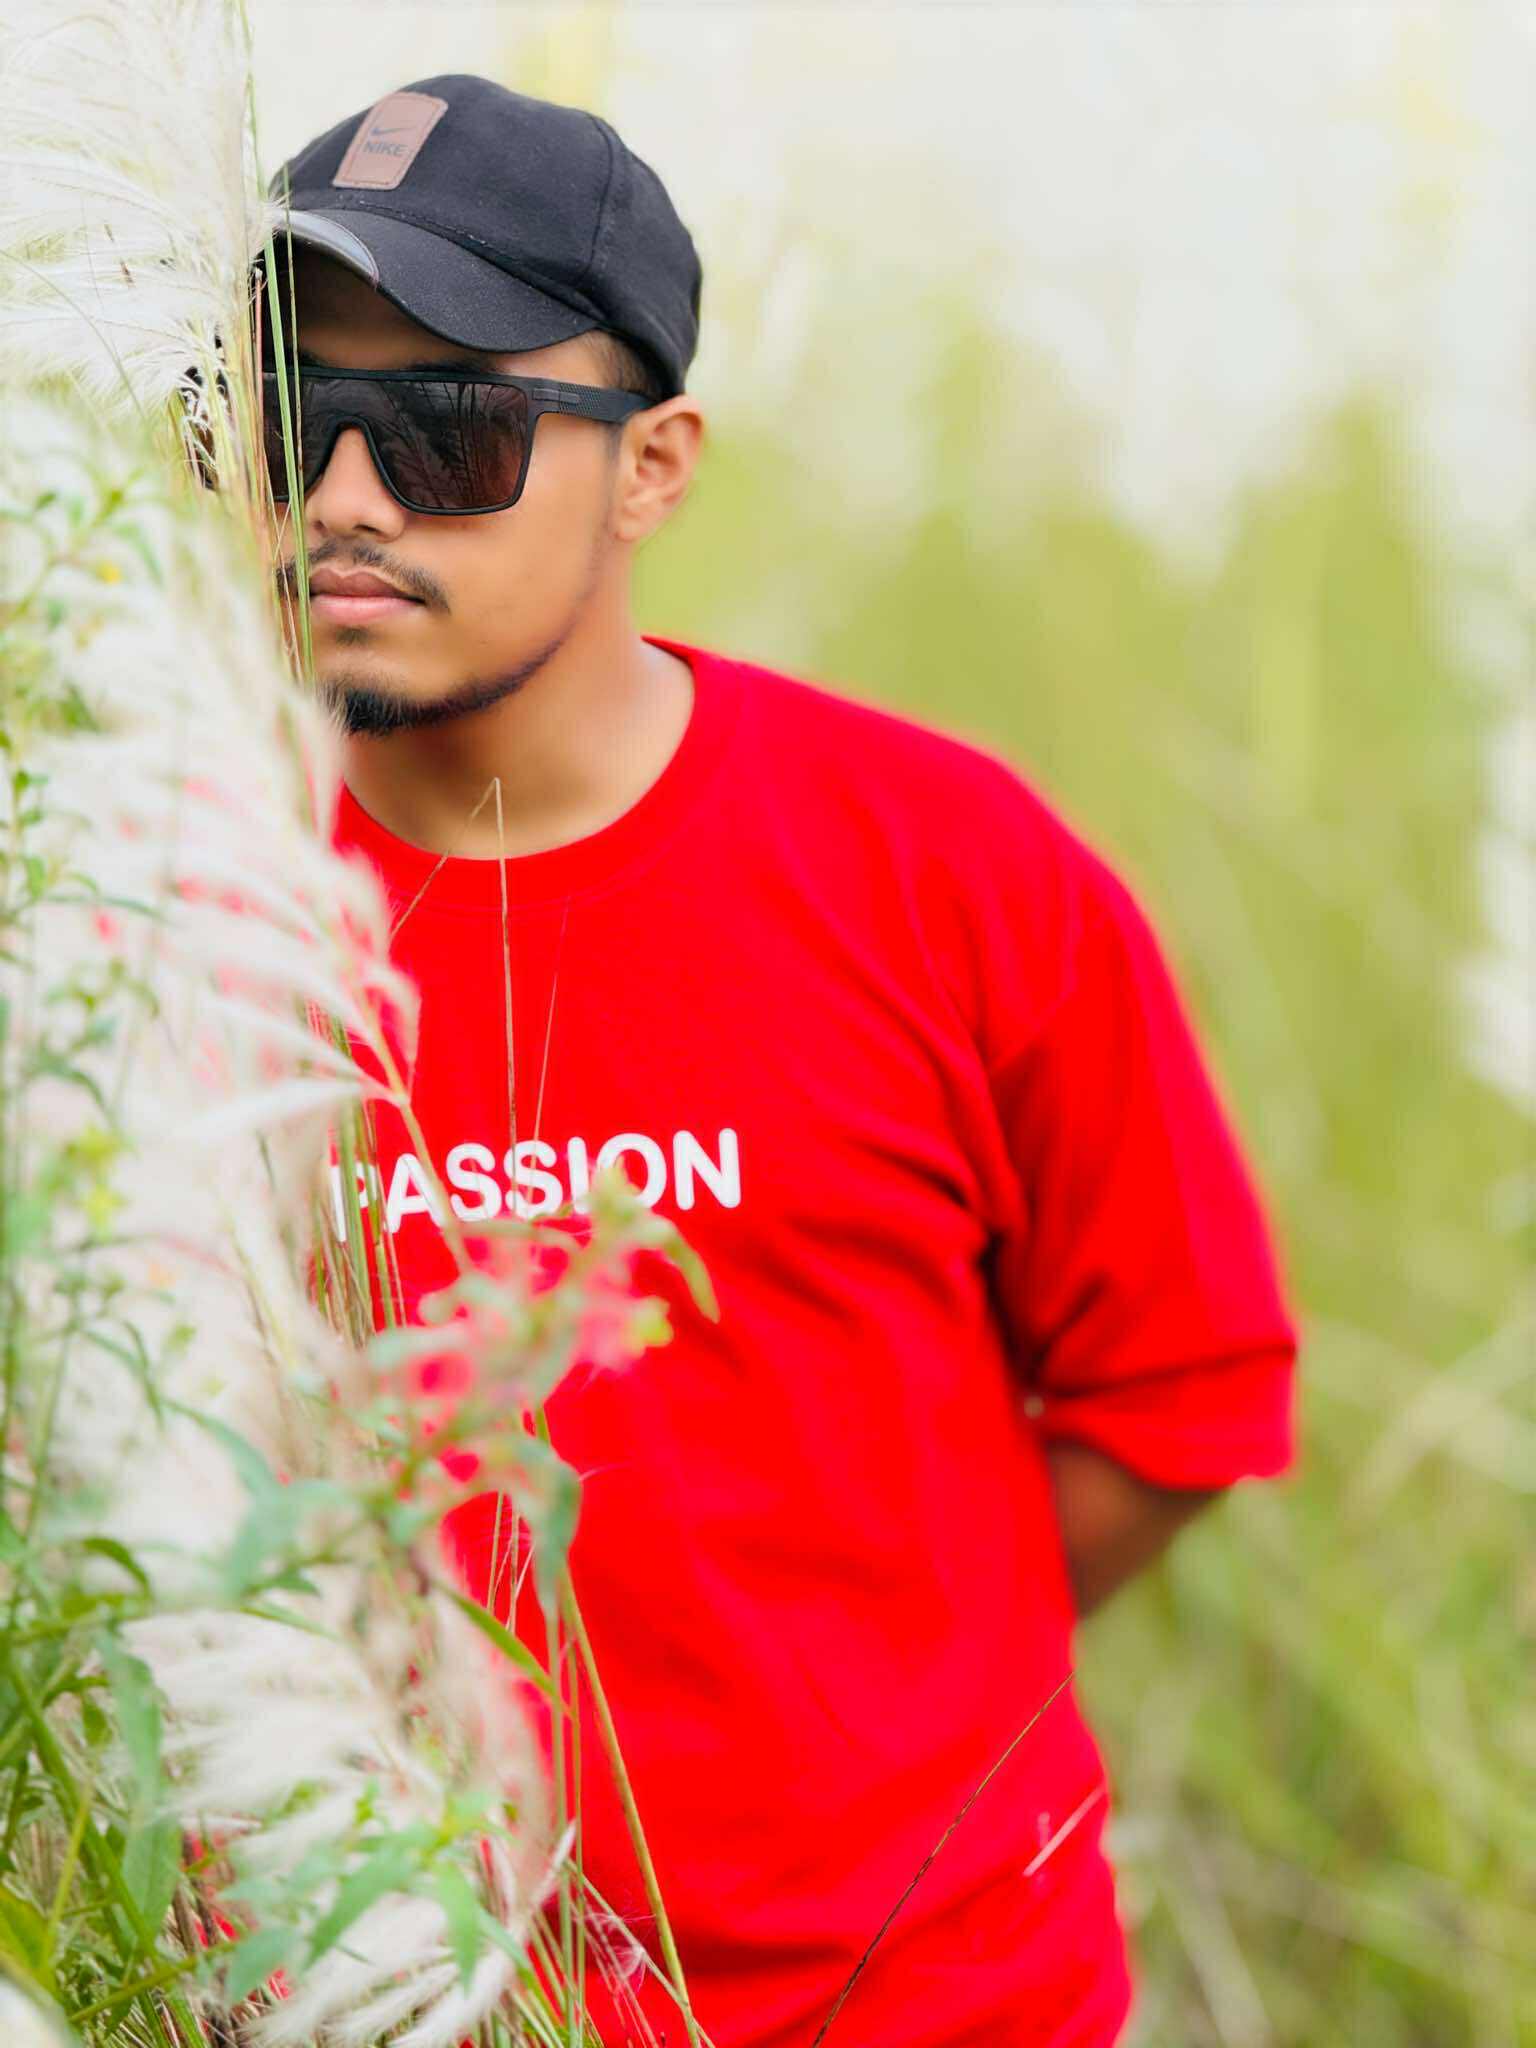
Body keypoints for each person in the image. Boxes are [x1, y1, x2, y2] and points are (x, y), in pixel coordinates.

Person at [256, 74, 1301, 2048]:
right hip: (352, 2001)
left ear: (651, 467)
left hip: (920, 2006)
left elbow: (1178, 1392)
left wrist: (867, 1701)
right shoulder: (170, 907)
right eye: (286, 416)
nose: (345, 500)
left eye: (452, 427)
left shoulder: (946, 872)